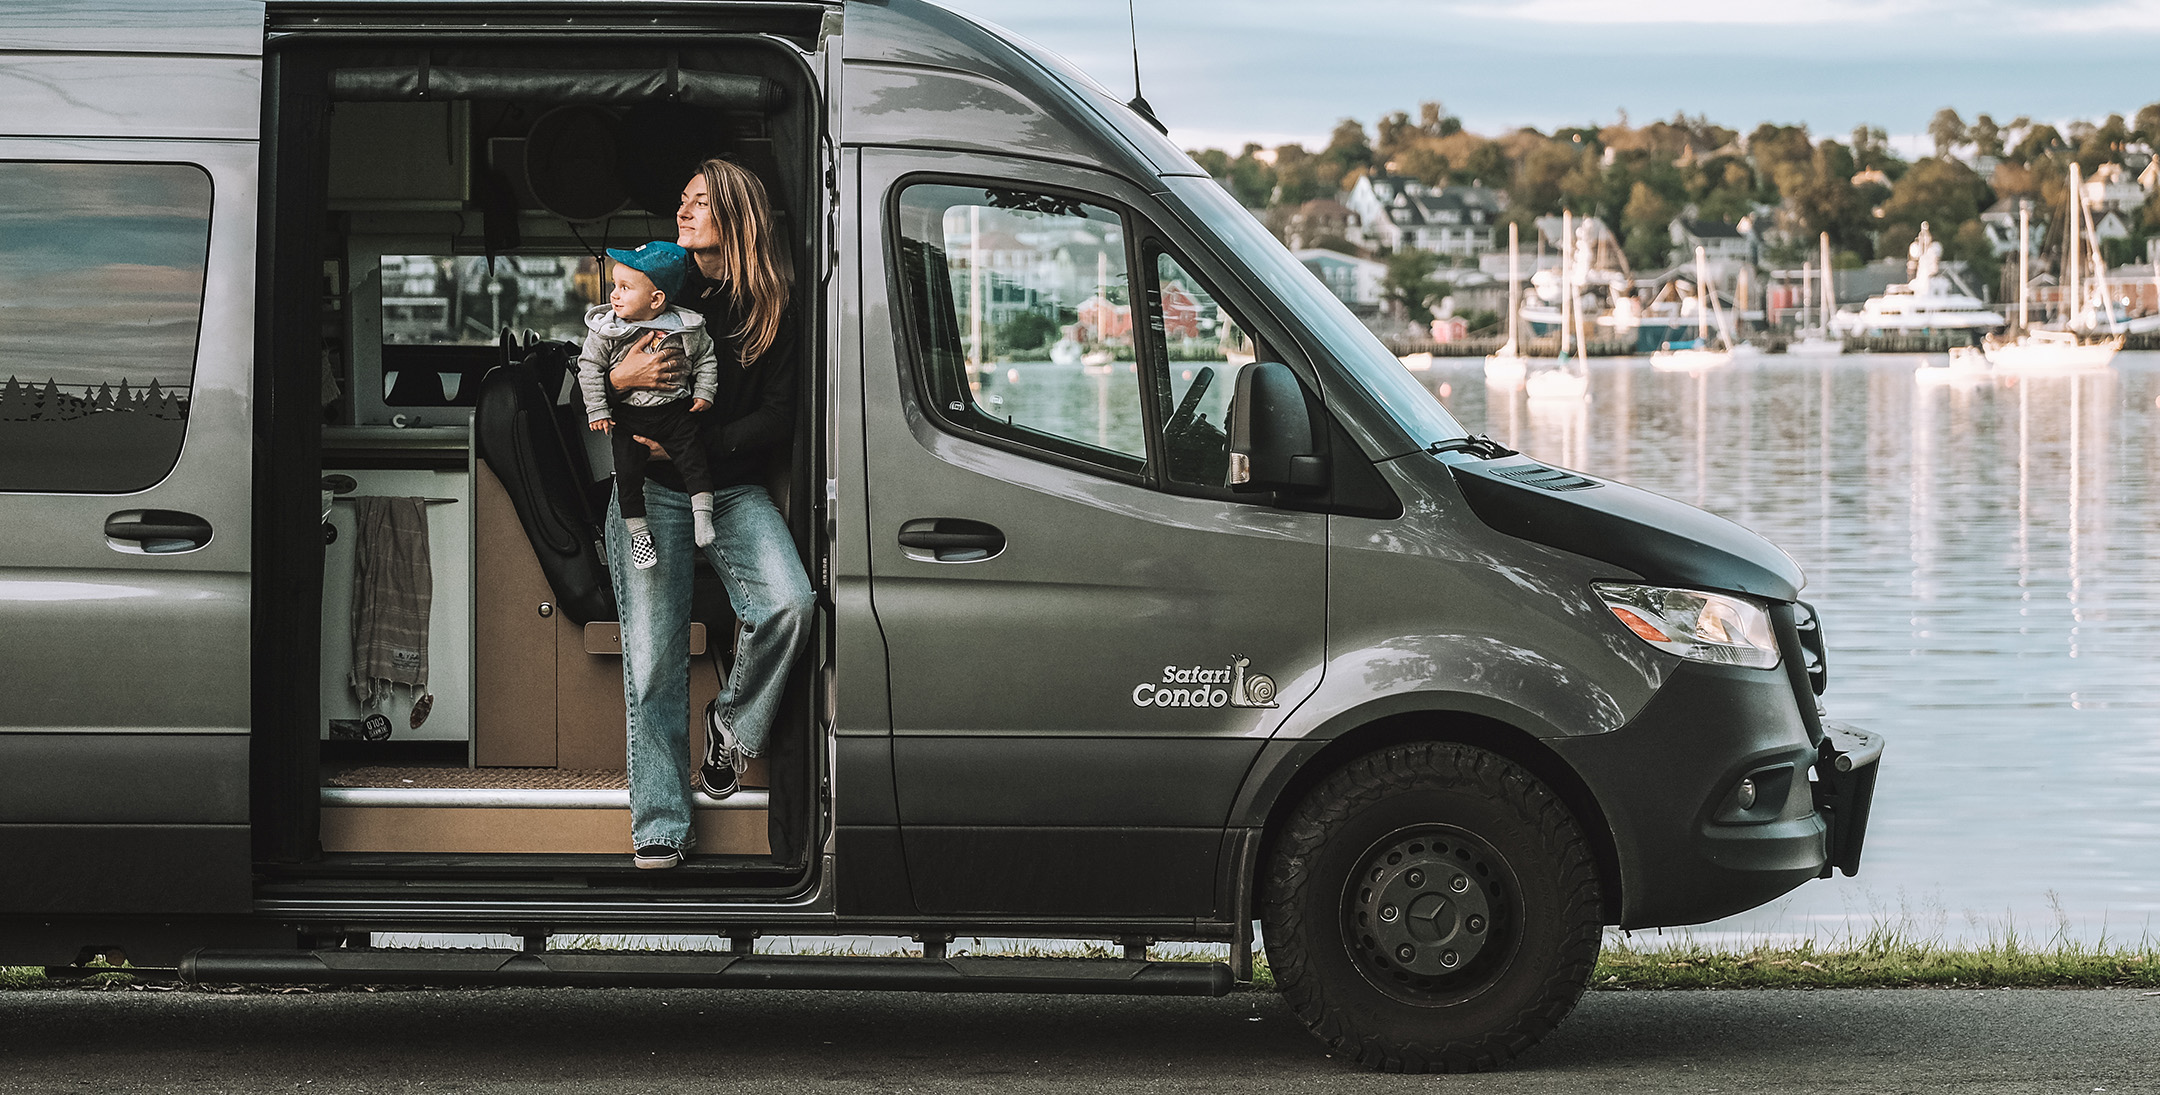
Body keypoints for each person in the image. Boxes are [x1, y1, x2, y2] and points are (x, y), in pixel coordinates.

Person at [603, 158, 813, 871]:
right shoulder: (664, 283)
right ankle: (661, 822)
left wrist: (700, 446)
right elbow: (594, 377)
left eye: (698, 201)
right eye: (682, 198)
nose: (682, 209)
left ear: (735, 214)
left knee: (790, 603)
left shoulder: (775, 304)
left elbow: (781, 418)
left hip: (733, 490)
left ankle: (731, 724)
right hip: (650, 494)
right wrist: (617, 378)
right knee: (655, 658)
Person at [577, 241, 720, 568]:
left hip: (675, 414)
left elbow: (706, 360)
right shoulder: (606, 330)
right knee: (627, 475)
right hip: (629, 419)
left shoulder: (687, 327)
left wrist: (704, 392)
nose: (614, 295)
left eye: (625, 288)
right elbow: (589, 368)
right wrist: (599, 408)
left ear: (657, 299)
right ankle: (639, 534)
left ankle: (702, 516)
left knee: (693, 459)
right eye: (615, 285)